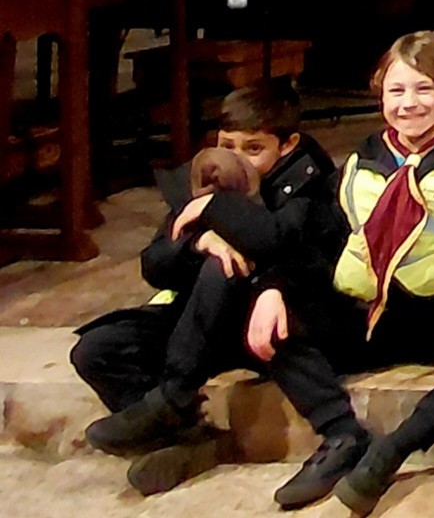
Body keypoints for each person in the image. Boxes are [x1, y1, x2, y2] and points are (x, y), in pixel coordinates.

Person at [251, 32, 434, 514]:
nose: (409, 104)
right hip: (367, 313)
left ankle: (392, 451)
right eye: (396, 90)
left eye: (424, 89)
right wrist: (275, 287)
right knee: (273, 324)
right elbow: (321, 240)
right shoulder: (359, 165)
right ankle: (341, 435)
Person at [73, 81, 347, 498]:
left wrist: (216, 211)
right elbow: (155, 264)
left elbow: (284, 245)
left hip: (272, 325)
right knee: (97, 349)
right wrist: (197, 242)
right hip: (202, 323)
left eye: (253, 148)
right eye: (227, 145)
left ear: (287, 145)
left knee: (225, 268)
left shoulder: (310, 186)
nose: (236, 158)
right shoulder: (208, 175)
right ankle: (184, 437)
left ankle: (173, 398)